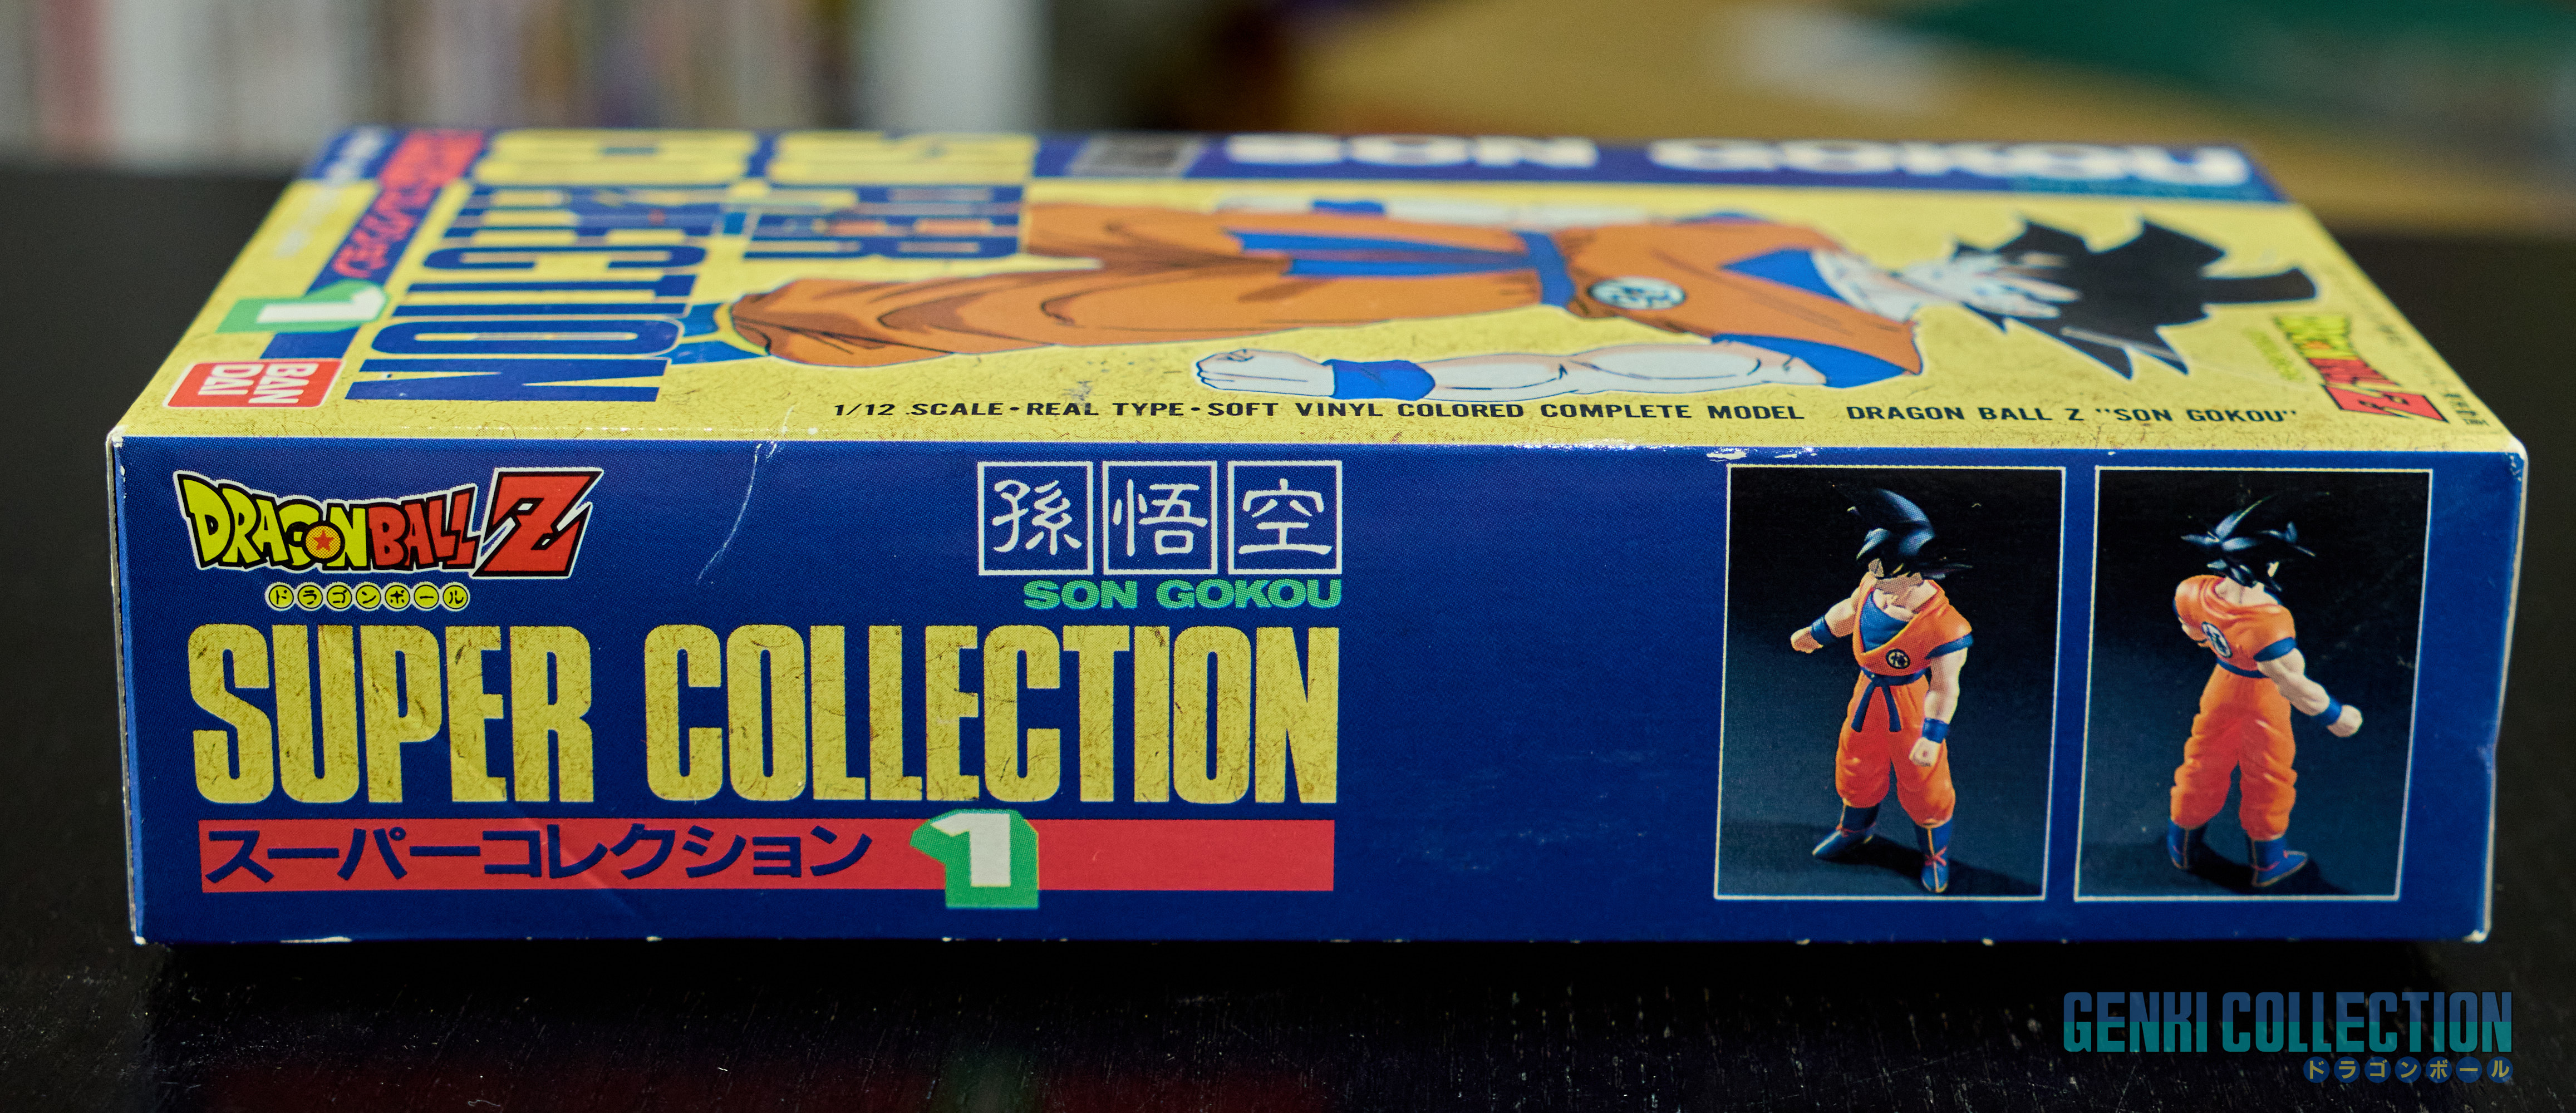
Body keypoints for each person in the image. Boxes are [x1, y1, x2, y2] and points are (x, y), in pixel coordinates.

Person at [709, 199, 2316, 398]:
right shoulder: (1780, 218)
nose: (1995, 274)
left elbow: (1592, 391)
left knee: (1078, 321)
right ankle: (792, 259)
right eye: (2023, 252)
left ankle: (821, 324)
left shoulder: (1858, 351)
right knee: (1091, 230)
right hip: (1393, 221)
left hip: (1426, 296)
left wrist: (1352, 394)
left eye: (2028, 289)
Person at [2164, 500, 2362, 887]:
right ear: (2266, 563)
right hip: (2262, 697)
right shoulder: (2269, 622)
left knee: (2201, 761)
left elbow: (2194, 632)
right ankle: (2269, 866)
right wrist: (2336, 716)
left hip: (2221, 684)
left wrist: (2227, 648)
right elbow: (2292, 684)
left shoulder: (2192, 590)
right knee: (2269, 774)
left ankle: (2181, 848)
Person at [1788, 489, 1973, 894]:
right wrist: (1816, 634)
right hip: (1867, 694)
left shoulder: (1946, 627)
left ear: (1917, 571)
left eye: (1886, 573)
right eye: (1874, 569)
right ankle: (1855, 831)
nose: (1877, 580)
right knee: (1856, 764)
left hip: (1910, 705)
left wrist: (1932, 736)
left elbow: (1945, 688)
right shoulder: (1876, 583)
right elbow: (1849, 611)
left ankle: (1936, 855)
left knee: (1924, 782)